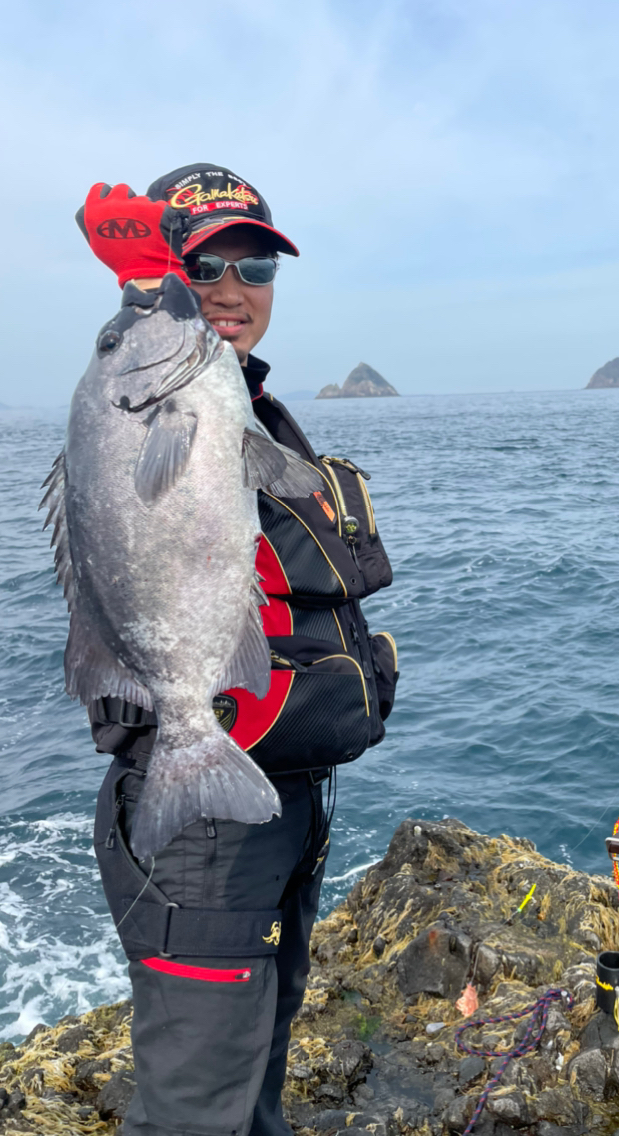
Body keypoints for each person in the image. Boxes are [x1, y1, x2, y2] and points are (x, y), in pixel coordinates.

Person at [75, 165, 399, 1136]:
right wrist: (142, 287)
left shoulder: (235, 400)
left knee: (255, 1082)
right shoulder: (135, 396)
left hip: (275, 804)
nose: (230, 286)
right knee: (192, 1112)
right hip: (200, 837)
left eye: (253, 263)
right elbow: (117, 442)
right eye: (203, 262)